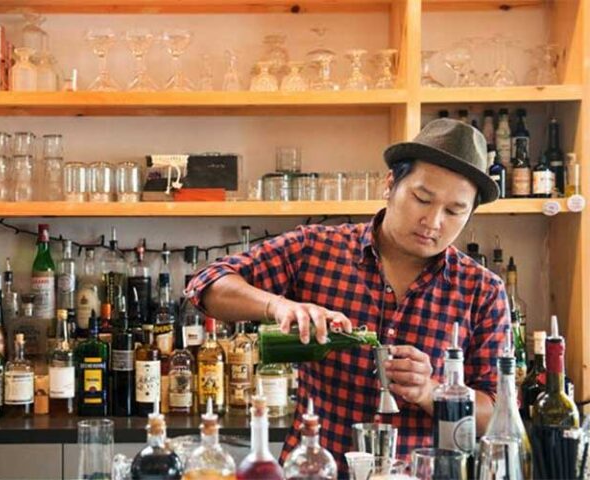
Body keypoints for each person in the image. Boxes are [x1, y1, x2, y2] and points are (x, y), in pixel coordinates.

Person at [184, 119, 509, 469]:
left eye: (454, 211)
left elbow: (497, 416)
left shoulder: (483, 292)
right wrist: (278, 306)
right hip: (315, 470)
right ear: (390, 184)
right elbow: (206, 283)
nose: (433, 220)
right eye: (421, 198)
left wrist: (433, 392)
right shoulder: (316, 248)